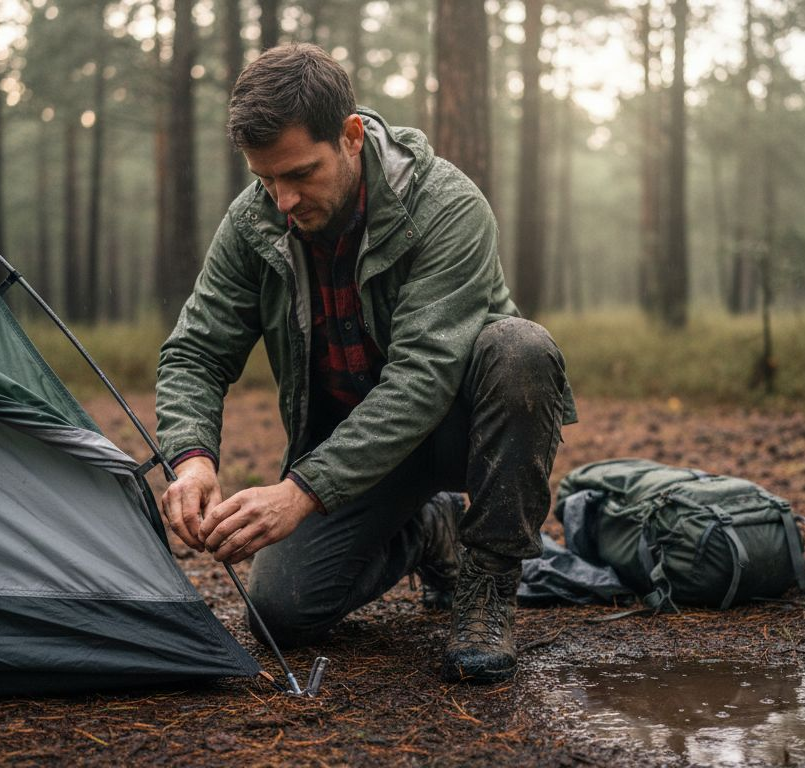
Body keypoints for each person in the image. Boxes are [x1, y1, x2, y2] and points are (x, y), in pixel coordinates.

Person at [155, 43, 575, 684]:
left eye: (300, 174)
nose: (283, 200)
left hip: (459, 435)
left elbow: (422, 378)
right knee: (282, 612)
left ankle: (486, 583)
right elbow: (196, 350)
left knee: (521, 349)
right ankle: (430, 530)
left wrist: (301, 491)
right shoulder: (252, 224)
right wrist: (191, 459)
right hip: (350, 453)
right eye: (266, 180)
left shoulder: (446, 206)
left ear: (351, 136)